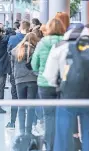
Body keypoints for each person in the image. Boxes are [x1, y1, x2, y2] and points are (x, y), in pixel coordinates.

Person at [43, 23, 89, 151]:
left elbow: (49, 76)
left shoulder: (59, 47)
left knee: (63, 136)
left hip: (67, 97)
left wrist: (60, 86)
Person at [31, 18, 66, 151]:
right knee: (62, 114)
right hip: (62, 83)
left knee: (48, 116)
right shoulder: (66, 42)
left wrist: (40, 70)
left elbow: (34, 63)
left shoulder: (42, 43)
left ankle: (50, 146)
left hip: (44, 84)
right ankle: (62, 145)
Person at [11, 32, 39, 135]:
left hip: (19, 80)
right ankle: (28, 130)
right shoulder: (36, 50)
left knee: (21, 106)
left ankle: (22, 131)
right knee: (30, 106)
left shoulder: (15, 51)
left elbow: (12, 66)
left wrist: (15, 77)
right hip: (32, 79)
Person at [6, 20, 30, 129]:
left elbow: (9, 53)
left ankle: (12, 122)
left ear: (20, 27)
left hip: (16, 73)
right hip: (31, 75)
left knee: (15, 98)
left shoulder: (13, 39)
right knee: (31, 102)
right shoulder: (32, 38)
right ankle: (31, 125)